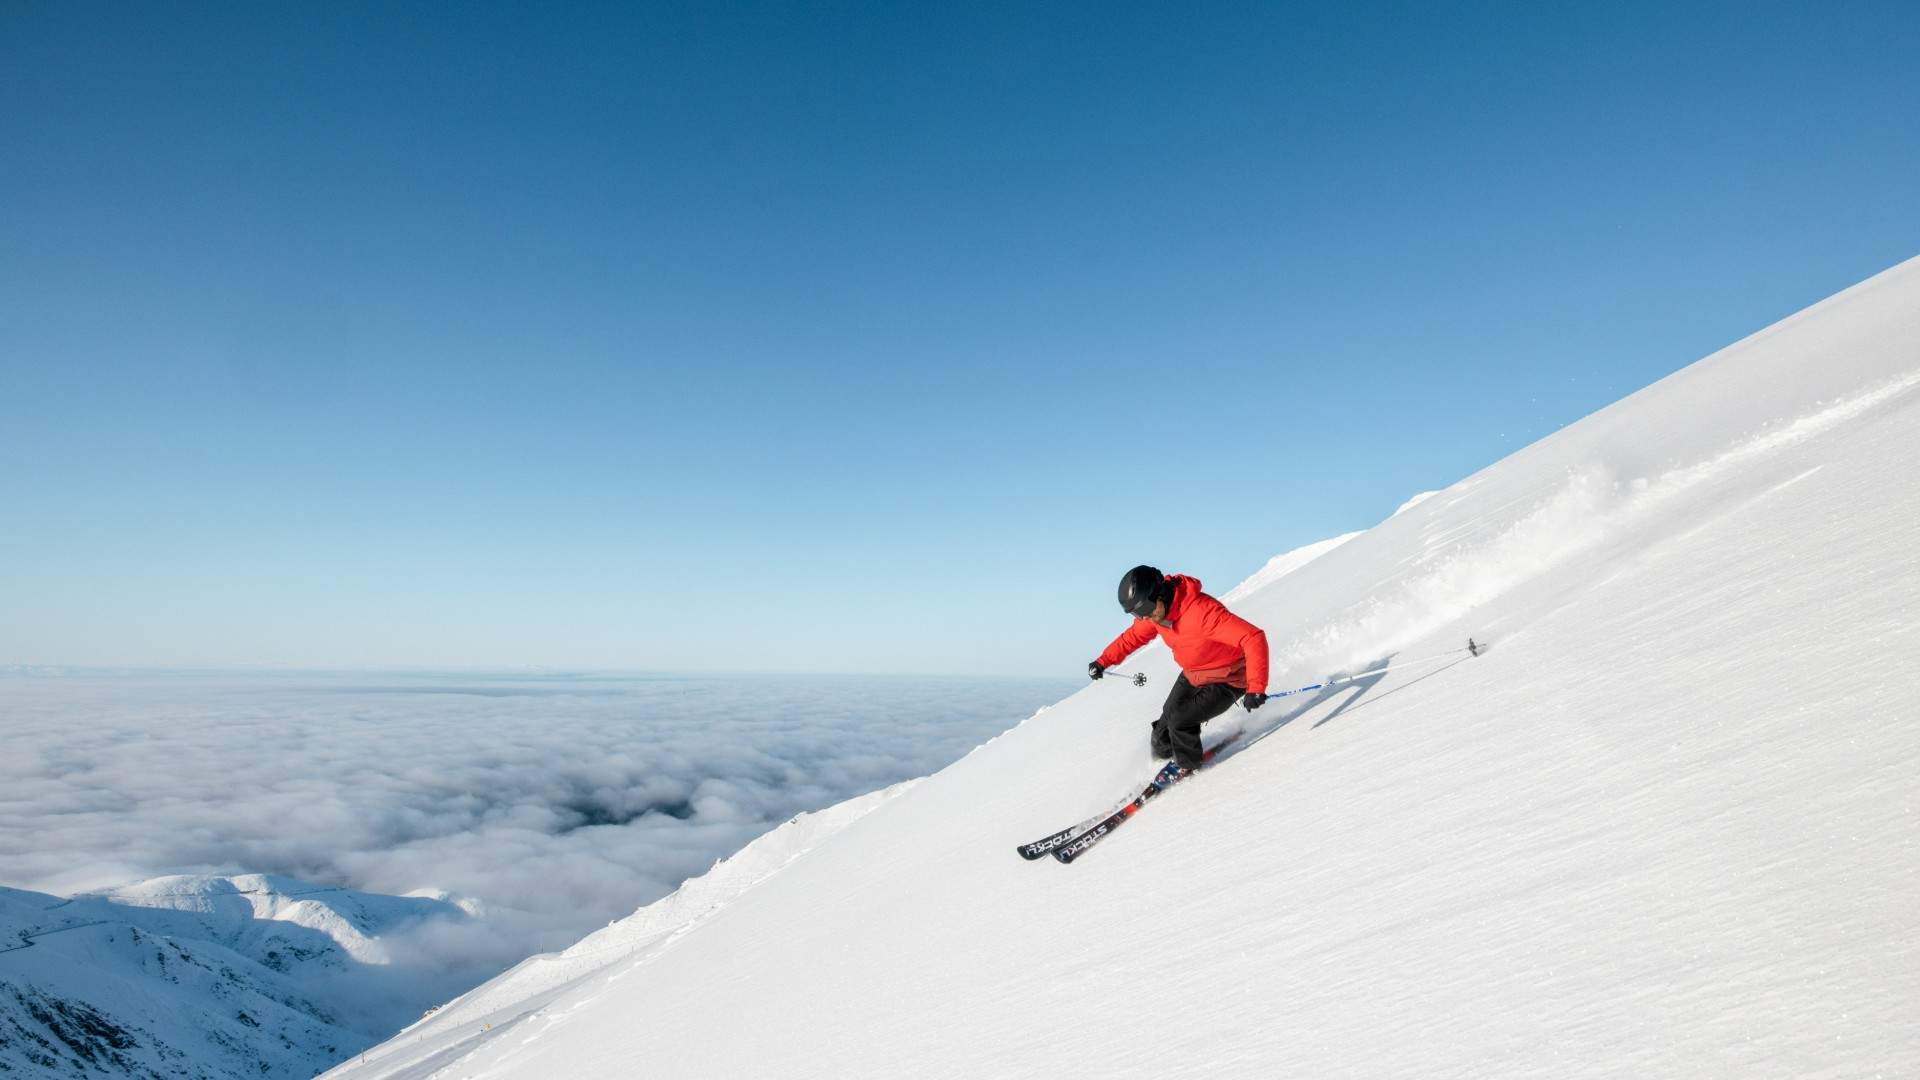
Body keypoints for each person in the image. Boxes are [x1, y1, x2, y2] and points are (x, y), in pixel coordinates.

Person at [1088, 565, 1270, 775]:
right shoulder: (1156, 614)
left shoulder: (1202, 612)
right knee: (1160, 735)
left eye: (1145, 610)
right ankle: (1161, 764)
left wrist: (1256, 687)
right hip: (1193, 674)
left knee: (1180, 720)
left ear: (1159, 594)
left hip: (1228, 677)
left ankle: (1188, 769)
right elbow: (1133, 637)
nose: (1144, 618)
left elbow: (1253, 637)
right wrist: (1103, 661)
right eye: (1138, 614)